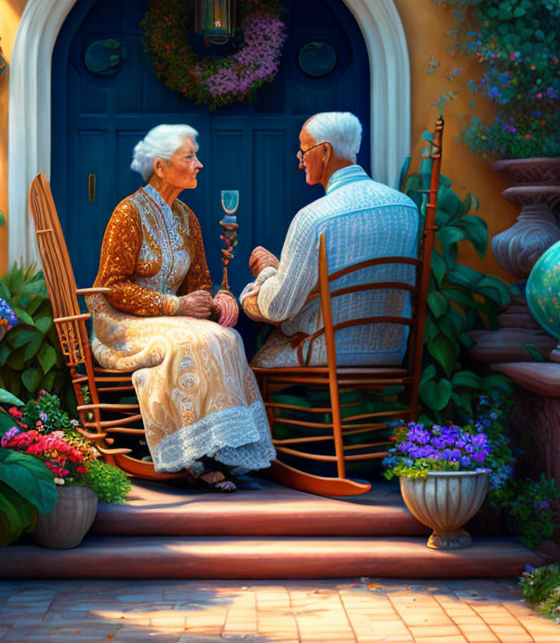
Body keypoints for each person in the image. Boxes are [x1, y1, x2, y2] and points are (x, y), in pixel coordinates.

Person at [88, 124, 275, 492]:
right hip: (121, 320)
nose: (198, 165)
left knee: (226, 338)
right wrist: (176, 304)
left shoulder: (186, 217)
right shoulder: (128, 213)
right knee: (187, 344)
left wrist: (217, 299)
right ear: (160, 166)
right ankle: (192, 456)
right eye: (189, 157)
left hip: (171, 319)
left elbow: (199, 284)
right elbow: (112, 287)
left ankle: (223, 450)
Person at [241, 111, 420, 368]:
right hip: (392, 353)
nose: (300, 160)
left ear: (325, 151)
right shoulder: (407, 208)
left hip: (331, 354)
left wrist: (268, 272)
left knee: (253, 366)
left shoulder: (315, 217)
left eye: (304, 151)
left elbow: (277, 307)